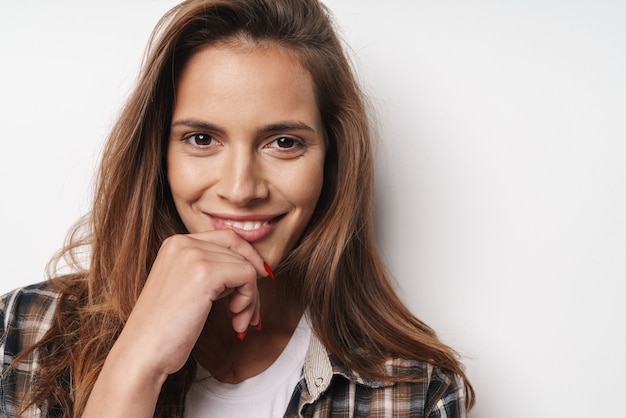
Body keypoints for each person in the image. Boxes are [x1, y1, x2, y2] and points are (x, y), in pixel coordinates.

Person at [0, 0, 475, 416]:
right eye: (202, 139)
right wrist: (136, 365)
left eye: (283, 142)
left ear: (333, 160)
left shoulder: (414, 392)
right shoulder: (23, 333)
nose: (240, 188)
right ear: (158, 155)